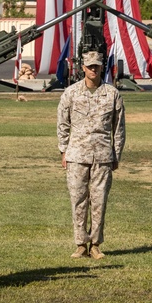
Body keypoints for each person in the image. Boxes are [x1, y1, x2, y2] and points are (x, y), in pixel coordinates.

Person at [57, 50, 126, 259]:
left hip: (103, 155)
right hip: (77, 155)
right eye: (90, 66)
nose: (93, 69)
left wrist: (116, 154)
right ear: (83, 68)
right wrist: (63, 150)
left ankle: (95, 244)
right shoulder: (71, 93)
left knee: (99, 201)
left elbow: (119, 128)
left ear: (101, 67)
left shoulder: (112, 94)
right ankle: (80, 244)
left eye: (97, 66)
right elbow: (62, 122)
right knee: (78, 200)